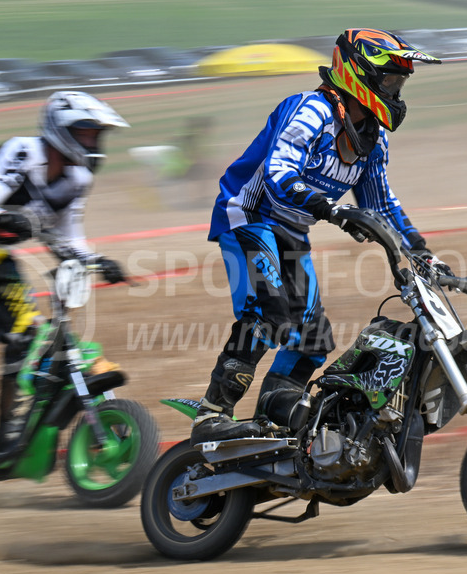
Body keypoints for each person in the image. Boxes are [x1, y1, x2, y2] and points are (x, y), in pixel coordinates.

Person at [192, 28, 450, 445]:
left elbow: (381, 204)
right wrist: (333, 210)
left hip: (292, 228)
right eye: (389, 81)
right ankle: (212, 414)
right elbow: (279, 175)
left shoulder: (373, 139)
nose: (396, 92)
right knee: (269, 314)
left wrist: (424, 254)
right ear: (358, 74)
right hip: (249, 216)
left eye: (399, 83)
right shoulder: (311, 111)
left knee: (313, 340)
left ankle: (275, 419)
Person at [0, 90, 131, 448]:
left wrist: (96, 260)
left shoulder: (77, 179)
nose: (92, 142)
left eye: (95, 135)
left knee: (26, 334)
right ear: (60, 130)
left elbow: (67, 234)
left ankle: (10, 429)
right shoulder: (23, 151)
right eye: (84, 133)